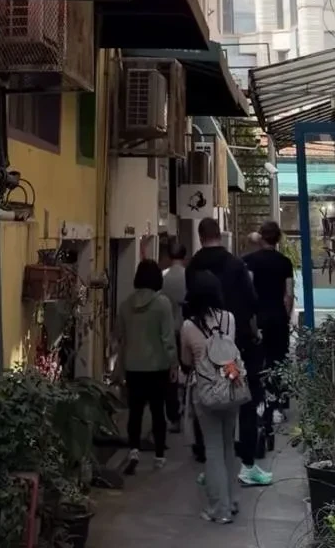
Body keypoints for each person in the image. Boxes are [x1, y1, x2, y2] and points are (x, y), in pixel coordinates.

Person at [187, 218, 273, 487]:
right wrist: (253, 332)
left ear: (201, 237)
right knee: (244, 400)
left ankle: (211, 465)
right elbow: (252, 302)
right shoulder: (236, 265)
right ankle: (247, 464)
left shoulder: (193, 267)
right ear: (219, 235)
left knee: (206, 402)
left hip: (203, 345)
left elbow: (190, 305)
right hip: (237, 345)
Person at [181, 271, 241, 524]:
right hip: (230, 386)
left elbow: (186, 361)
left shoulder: (188, 326)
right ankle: (231, 500)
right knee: (228, 446)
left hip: (204, 391)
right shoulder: (229, 319)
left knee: (213, 448)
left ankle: (219, 509)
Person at [116, 259, 177, 474]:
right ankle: (159, 456)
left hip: (133, 366)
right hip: (157, 366)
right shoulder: (163, 304)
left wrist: (120, 366)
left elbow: (120, 337)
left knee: (135, 411)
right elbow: (168, 338)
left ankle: (134, 450)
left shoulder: (125, 305)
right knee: (158, 412)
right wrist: (173, 364)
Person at [245, 221, 294, 441]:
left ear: (261, 237)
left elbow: (249, 292)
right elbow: (289, 294)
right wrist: (286, 315)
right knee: (279, 361)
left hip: (258, 319)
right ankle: (277, 406)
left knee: (257, 362)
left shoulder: (250, 261)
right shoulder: (285, 262)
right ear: (278, 239)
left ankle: (258, 403)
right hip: (278, 318)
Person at [162, 240, 188, 430]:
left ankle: (174, 417)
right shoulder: (189, 276)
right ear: (184, 257)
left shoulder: (163, 277)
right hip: (187, 329)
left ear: (169, 256)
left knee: (169, 375)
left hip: (168, 331)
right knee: (189, 370)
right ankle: (187, 407)